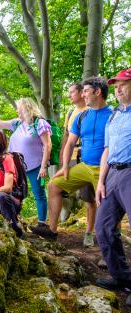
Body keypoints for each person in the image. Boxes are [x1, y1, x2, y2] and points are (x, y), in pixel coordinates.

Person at [32, 76, 113, 241]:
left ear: (97, 92)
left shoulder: (114, 114)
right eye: (82, 91)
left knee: (108, 204)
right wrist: (65, 167)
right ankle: (52, 231)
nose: (83, 95)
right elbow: (69, 143)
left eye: (86, 91)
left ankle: (108, 245)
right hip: (84, 166)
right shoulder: (81, 117)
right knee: (54, 185)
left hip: (106, 169)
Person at [0, 98, 52, 229]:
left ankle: (42, 224)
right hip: (15, 166)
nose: (17, 110)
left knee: (39, 193)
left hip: (35, 166)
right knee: (11, 193)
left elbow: (47, 145)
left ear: (26, 108)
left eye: (18, 108)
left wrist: (43, 166)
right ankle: (12, 217)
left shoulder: (39, 123)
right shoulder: (17, 123)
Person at [94, 68, 131, 292]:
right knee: (103, 227)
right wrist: (100, 182)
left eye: (123, 85)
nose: (117, 89)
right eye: (115, 86)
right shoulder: (114, 115)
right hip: (112, 175)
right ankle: (123, 278)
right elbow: (107, 150)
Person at [60, 83, 96, 247]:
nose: (69, 95)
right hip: (71, 157)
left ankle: (89, 232)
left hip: (86, 158)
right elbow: (66, 137)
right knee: (57, 189)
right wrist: (63, 161)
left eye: (72, 92)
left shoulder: (90, 111)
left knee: (89, 199)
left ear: (82, 93)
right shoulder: (70, 112)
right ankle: (53, 229)